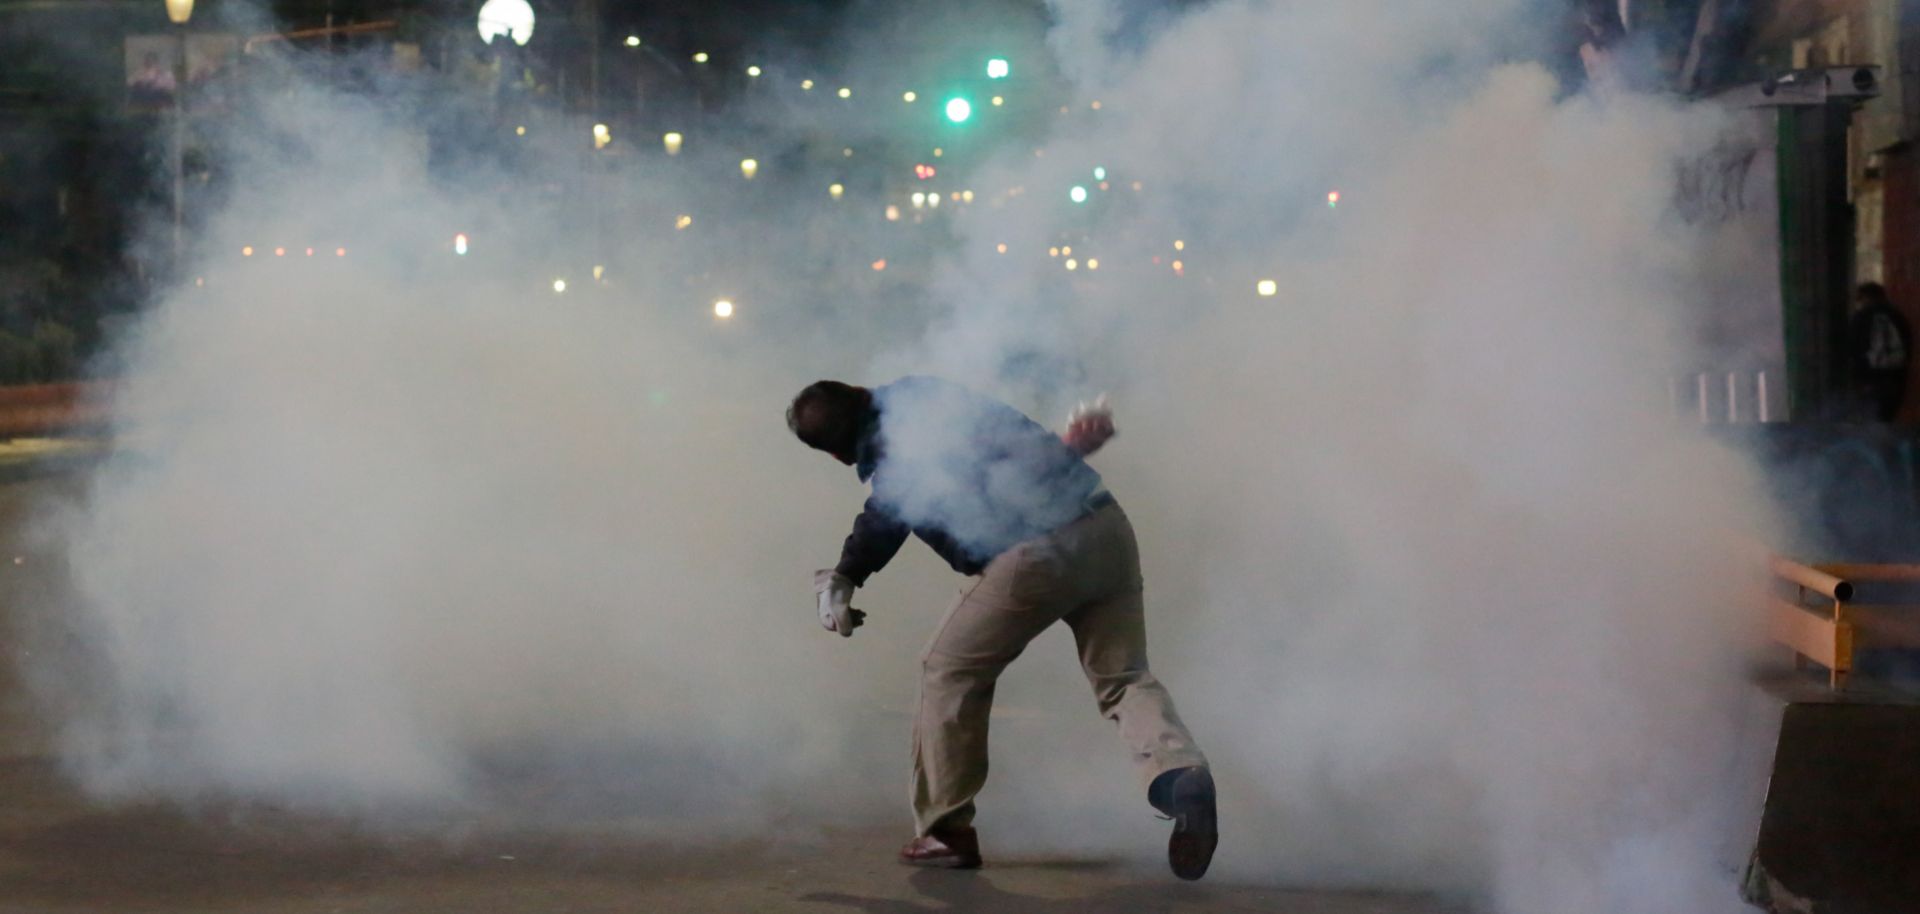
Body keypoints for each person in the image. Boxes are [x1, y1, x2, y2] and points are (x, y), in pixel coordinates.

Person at [786, 376, 1217, 880]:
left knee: (946, 671)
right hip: (1105, 527)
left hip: (1035, 553)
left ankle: (946, 831)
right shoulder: (929, 397)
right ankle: (1179, 772)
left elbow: (889, 511)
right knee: (1123, 677)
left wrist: (844, 575)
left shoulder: (897, 446)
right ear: (862, 389)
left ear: (837, 456)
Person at [1850, 282, 1913, 422]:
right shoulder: (1898, 315)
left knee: (1868, 418)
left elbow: (1854, 347)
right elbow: (1907, 345)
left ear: (1865, 298)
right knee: (1887, 416)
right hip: (1896, 375)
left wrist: (1857, 376)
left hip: (1870, 375)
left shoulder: (1861, 316)